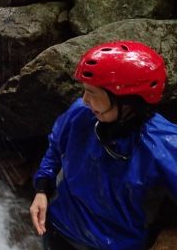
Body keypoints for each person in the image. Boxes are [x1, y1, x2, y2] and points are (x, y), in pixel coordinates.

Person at [29, 41, 177, 250]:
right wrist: (42, 189)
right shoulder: (81, 113)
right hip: (60, 231)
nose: (84, 99)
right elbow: (55, 147)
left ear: (127, 100)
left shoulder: (162, 143)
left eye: (92, 92)